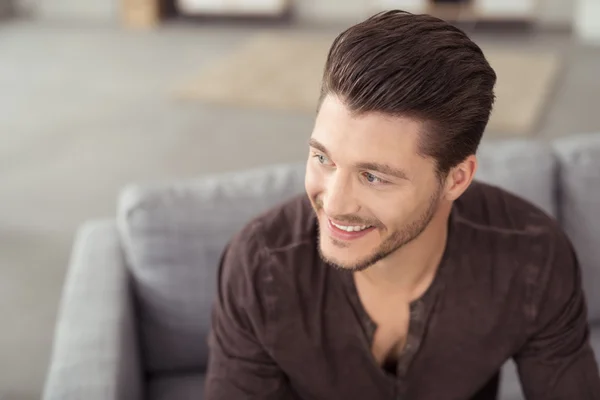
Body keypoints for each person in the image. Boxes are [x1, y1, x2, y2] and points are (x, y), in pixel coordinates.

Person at [204, 10, 600, 400]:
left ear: (456, 179)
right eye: (323, 158)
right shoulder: (259, 266)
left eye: (374, 177)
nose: (334, 203)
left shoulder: (532, 259)